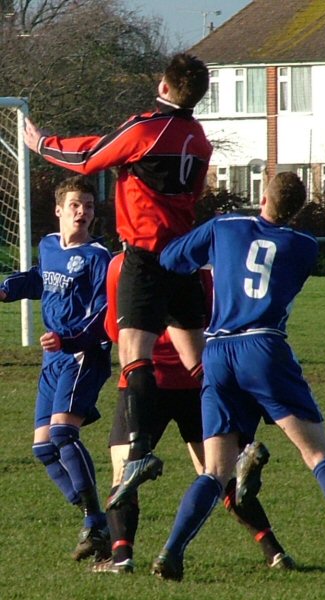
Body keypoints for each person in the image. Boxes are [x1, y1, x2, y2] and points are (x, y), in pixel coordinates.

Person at [151, 171, 325, 580]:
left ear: (262, 195)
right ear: (298, 209)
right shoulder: (304, 245)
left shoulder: (224, 227)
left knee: (215, 471)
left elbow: (170, 259)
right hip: (263, 348)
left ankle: (171, 552)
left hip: (217, 350)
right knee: (317, 454)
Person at [23, 53, 213, 505]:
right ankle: (239, 436)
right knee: (198, 361)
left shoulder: (148, 127)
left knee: (133, 353)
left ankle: (141, 449)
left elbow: (90, 156)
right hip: (185, 256)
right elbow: (195, 191)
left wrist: (43, 144)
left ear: (164, 86)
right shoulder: (200, 138)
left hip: (147, 258)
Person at [90, 252, 294, 574]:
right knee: (219, 473)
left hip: (144, 385)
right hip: (198, 383)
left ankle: (121, 559)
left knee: (124, 472)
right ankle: (275, 553)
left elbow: (117, 332)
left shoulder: (121, 266)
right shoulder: (202, 275)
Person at [0, 175, 113, 561]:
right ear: (59, 210)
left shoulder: (100, 257)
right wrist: (7, 288)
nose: (83, 212)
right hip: (54, 358)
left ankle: (97, 522)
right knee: (43, 449)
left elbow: (104, 313)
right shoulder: (49, 245)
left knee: (64, 433)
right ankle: (96, 518)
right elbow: (38, 279)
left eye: (90, 206)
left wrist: (69, 340)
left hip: (82, 355)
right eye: (76, 205)